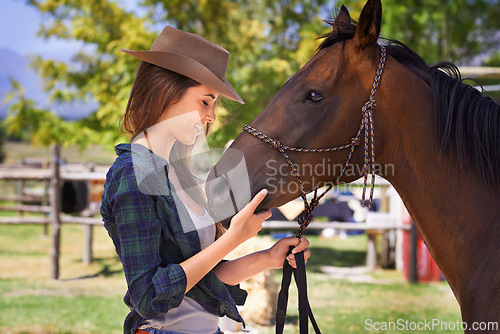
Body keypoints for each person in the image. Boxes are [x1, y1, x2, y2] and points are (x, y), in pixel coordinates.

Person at [100, 26, 311, 334]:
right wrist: (232, 239)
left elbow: (201, 281)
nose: (212, 115)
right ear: (166, 92)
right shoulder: (133, 174)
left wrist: (268, 258)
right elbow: (148, 296)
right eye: (205, 101)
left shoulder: (179, 172)